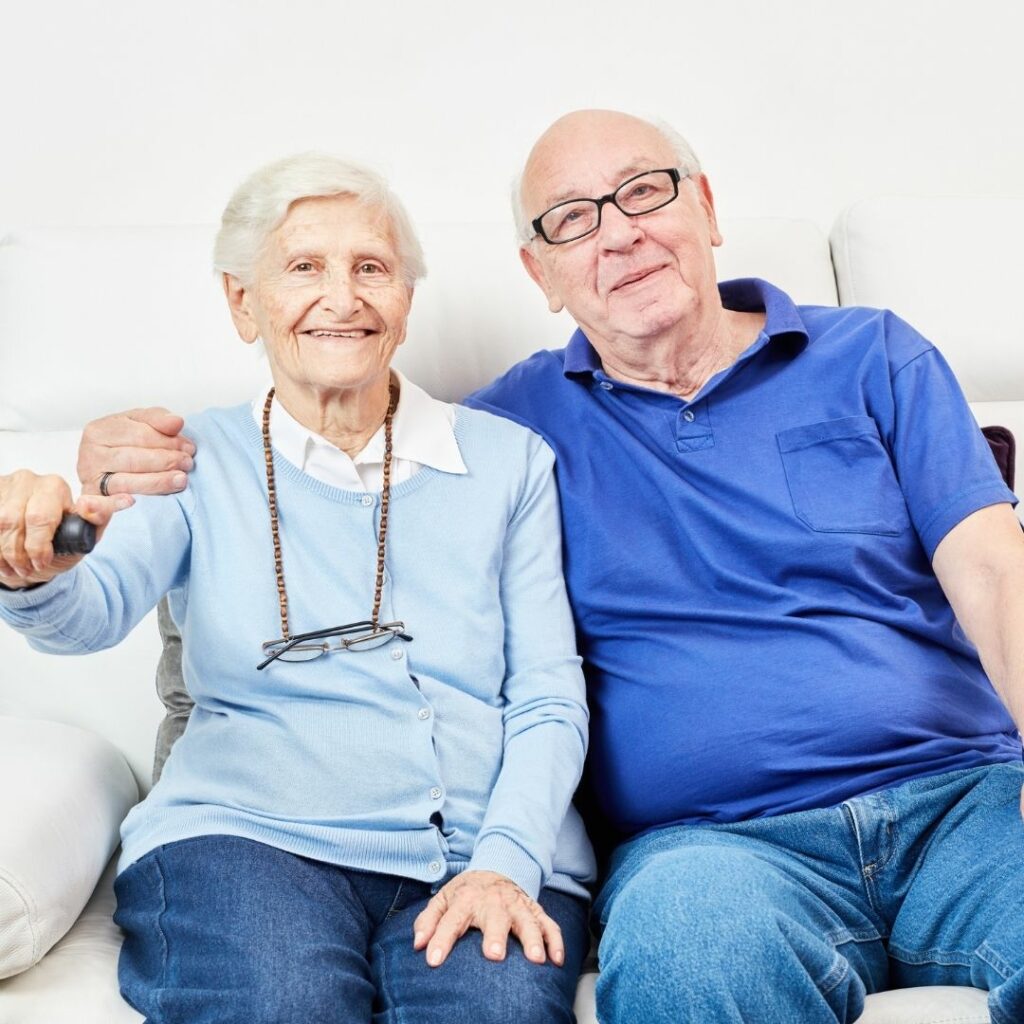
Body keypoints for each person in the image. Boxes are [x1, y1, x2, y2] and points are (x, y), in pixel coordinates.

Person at [71, 110, 1024, 1024]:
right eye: (572, 219)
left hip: (966, 800)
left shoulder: (872, 355)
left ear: (706, 206)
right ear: (541, 272)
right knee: (692, 952)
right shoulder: (508, 435)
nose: (620, 234)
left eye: (644, 192)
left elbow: (994, 571)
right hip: (719, 848)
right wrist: (106, 471)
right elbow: (329, 448)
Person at [0, 153, 595, 1024]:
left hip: (472, 849)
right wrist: (31, 572)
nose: (342, 298)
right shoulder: (187, 458)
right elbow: (89, 614)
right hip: (245, 839)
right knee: (282, 1005)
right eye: (304, 267)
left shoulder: (511, 464)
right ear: (244, 302)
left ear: (406, 300)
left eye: (372, 268)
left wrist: (504, 860)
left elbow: (547, 695)